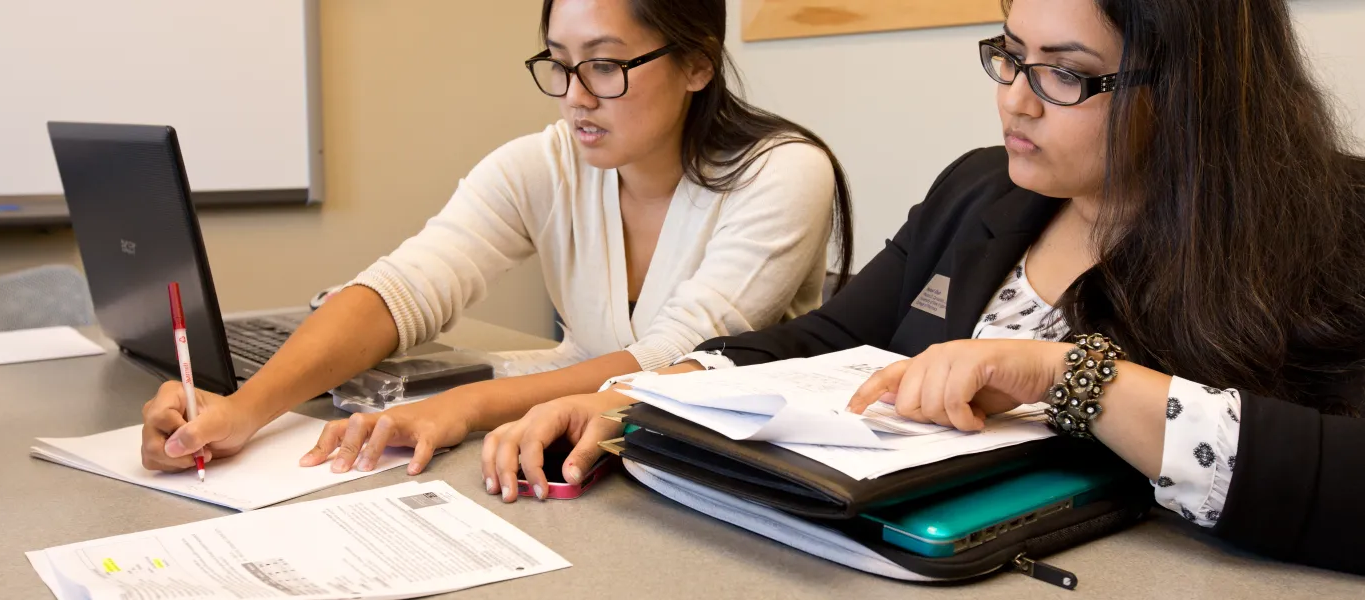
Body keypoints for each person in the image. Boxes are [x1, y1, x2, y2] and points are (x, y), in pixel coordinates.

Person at [491, 0, 1365, 575]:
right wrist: (639, 401)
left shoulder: (1330, 228)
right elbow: (821, 339)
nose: (1015, 102)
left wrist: (1075, 380)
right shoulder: (982, 192)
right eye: (1009, 56)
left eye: (1063, 73)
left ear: (1190, 92)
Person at [138, 0, 857, 496]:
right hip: (579, 459)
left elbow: (670, 361)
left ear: (698, 65)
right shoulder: (545, 163)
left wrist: (466, 405)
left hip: (726, 489)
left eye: (606, 66)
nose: (575, 96)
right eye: (559, 63)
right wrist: (243, 410)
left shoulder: (783, 173)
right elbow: (407, 286)